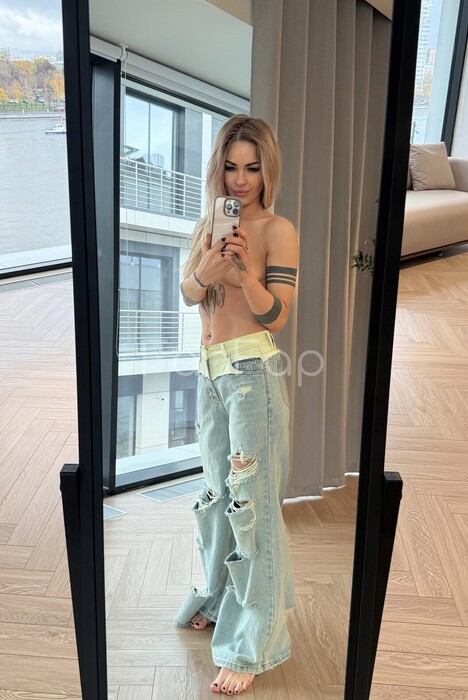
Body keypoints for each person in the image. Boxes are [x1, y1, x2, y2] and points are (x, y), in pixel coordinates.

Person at [175, 114, 299, 696]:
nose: (241, 180)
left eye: (252, 168)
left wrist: (246, 273)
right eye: (230, 167)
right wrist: (207, 268)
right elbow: (188, 294)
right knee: (217, 497)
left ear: (266, 170)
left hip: (252, 377)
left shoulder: (278, 229)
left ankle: (251, 645)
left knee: (252, 507)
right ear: (218, 169)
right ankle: (218, 598)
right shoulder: (208, 226)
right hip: (210, 373)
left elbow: (278, 316)